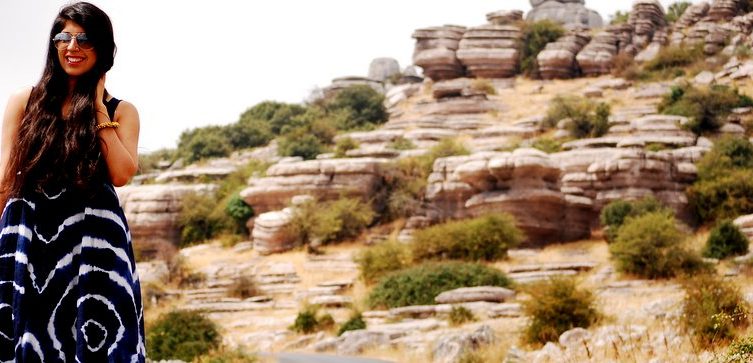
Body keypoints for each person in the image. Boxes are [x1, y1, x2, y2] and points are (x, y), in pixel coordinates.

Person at [0, 2, 145, 362]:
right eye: (63, 37)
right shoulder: (25, 101)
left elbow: (121, 173)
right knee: (27, 337)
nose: (72, 46)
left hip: (94, 241)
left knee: (98, 339)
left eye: (84, 39)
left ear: (103, 49)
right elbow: (3, 179)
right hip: (28, 235)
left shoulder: (120, 111)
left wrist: (96, 105)